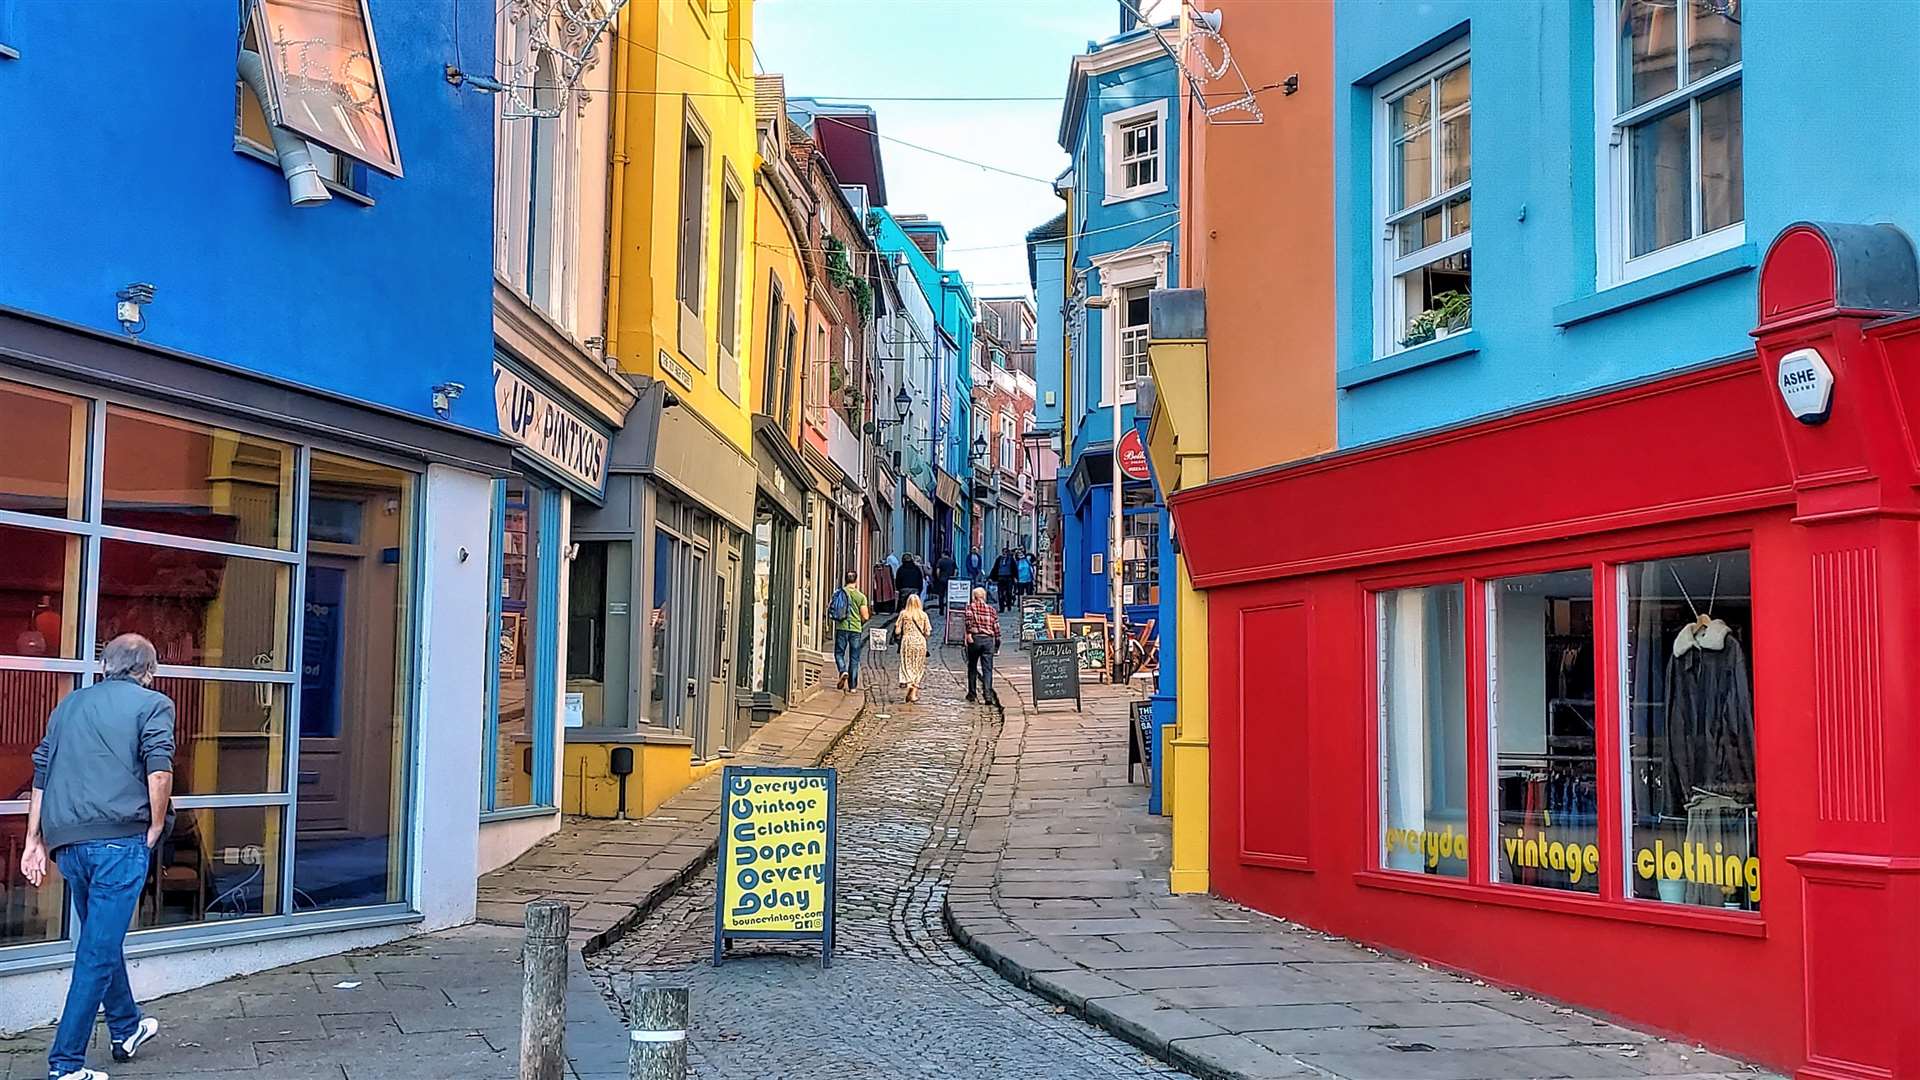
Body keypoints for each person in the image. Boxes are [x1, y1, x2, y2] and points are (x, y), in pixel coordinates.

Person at [25, 633, 172, 1080]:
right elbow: (160, 769)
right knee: (96, 952)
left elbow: (42, 773)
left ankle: (126, 1027)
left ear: (105, 665)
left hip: (68, 845)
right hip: (118, 843)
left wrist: (35, 839)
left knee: (100, 941)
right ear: (148, 670)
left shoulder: (69, 705)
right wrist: (157, 824)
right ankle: (66, 1064)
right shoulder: (153, 704)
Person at [829, 569, 871, 691]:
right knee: (854, 657)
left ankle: (842, 670)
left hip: (841, 627)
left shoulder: (838, 593)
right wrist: (860, 622)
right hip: (855, 629)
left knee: (839, 653)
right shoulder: (860, 596)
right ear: (856, 581)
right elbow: (865, 616)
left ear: (845, 580)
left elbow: (832, 608)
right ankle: (852, 686)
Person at [963, 586, 1002, 706]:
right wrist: (997, 644)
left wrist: (968, 634)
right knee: (987, 669)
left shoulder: (970, 608)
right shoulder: (991, 610)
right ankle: (988, 695)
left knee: (972, 666)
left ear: (974, 597)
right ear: (984, 597)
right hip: (988, 640)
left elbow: (968, 622)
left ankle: (972, 693)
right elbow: (996, 628)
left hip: (975, 639)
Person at [895, 592, 933, 704]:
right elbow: (928, 632)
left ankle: (909, 682)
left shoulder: (903, 614)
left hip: (907, 641)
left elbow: (897, 631)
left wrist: (899, 629)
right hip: (920, 642)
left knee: (907, 664)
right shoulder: (923, 615)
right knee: (918, 666)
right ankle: (914, 692)